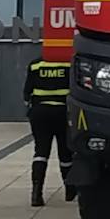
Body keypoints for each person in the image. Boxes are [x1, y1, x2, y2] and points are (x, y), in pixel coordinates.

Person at [23, 56, 74, 207]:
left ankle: (36, 193)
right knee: (65, 153)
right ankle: (70, 191)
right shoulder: (68, 63)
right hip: (62, 112)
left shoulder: (36, 64)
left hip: (39, 113)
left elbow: (27, 93)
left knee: (41, 152)